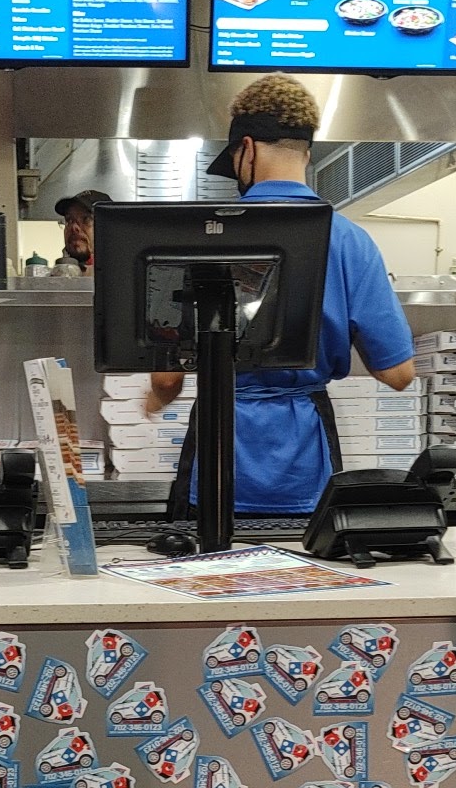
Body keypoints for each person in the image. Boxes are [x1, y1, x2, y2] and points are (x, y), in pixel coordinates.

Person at [149, 75, 415, 517]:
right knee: (308, 558)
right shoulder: (351, 241)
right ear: (306, 152)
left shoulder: (203, 235)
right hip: (306, 455)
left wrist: (153, 401)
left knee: (209, 557)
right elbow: (399, 374)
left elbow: (166, 380)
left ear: (246, 148)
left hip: (220, 446)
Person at [53, 188, 112, 273]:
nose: (74, 227)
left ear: (109, 229)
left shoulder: (126, 275)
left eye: (86, 219)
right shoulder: (54, 278)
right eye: (69, 220)